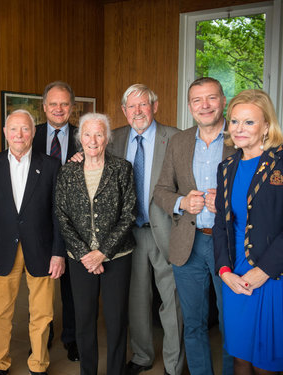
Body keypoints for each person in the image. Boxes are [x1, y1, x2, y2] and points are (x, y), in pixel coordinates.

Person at [0, 110, 66, 375]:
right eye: (14, 129)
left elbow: (58, 214)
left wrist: (58, 253)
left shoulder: (50, 166)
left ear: (33, 133)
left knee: (42, 313)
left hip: (42, 250)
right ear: (5, 132)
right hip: (1, 250)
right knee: (0, 312)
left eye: (25, 129)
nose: (19, 135)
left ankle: (38, 364)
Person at [153, 77, 234, 375]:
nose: (205, 106)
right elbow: (161, 190)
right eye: (198, 101)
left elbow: (259, 196)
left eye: (211, 98)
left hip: (230, 245)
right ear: (189, 107)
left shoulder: (239, 137)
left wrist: (226, 203)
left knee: (231, 324)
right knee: (194, 323)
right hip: (189, 243)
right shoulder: (180, 141)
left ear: (223, 100)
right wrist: (182, 203)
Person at [106, 84, 184, 375]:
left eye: (143, 105)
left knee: (171, 300)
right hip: (129, 233)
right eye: (131, 106)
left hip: (166, 230)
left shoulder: (174, 137)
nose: (138, 111)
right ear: (124, 111)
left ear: (155, 106)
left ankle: (174, 365)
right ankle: (141, 356)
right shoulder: (114, 139)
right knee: (137, 299)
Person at [55, 112, 136, 375]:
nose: (93, 140)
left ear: (107, 138)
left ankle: (116, 370)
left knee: (116, 320)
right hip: (80, 259)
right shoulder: (67, 172)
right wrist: (85, 254)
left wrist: (102, 252)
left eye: (99, 134)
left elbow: (128, 215)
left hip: (117, 256)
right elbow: (62, 215)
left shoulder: (122, 168)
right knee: (84, 320)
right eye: (87, 134)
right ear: (80, 139)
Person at [213, 89, 283, 374]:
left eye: (249, 122)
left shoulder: (280, 162)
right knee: (240, 357)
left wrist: (265, 269)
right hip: (236, 276)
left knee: (265, 363)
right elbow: (222, 224)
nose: (239, 129)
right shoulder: (227, 167)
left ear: (267, 125)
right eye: (234, 121)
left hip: (273, 273)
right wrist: (224, 270)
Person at [33, 81, 79, 361]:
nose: (59, 109)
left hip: (75, 223)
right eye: (53, 104)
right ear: (44, 107)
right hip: (39, 222)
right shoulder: (31, 135)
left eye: (64, 104)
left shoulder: (84, 136)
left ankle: (72, 339)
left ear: (71, 107)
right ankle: (42, 336)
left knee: (73, 288)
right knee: (41, 284)